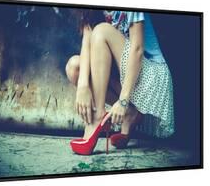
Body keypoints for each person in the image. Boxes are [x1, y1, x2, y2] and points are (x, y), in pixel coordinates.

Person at [66, 9, 174, 155]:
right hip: (124, 73)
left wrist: (123, 100)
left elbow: (137, 49)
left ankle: (98, 117)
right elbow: (87, 44)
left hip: (151, 74)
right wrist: (83, 86)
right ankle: (130, 113)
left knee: (101, 30)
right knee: (75, 68)